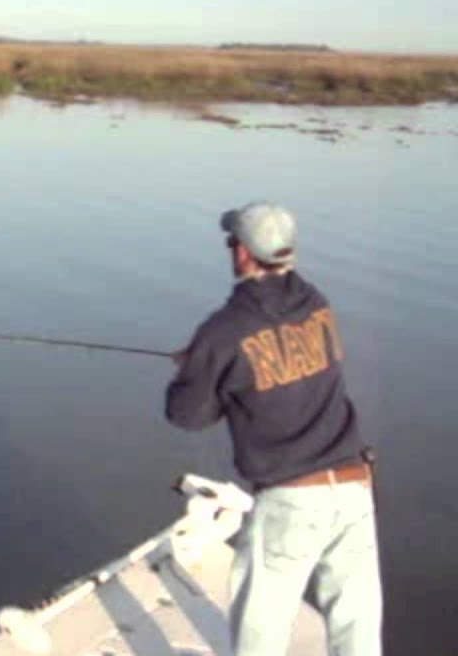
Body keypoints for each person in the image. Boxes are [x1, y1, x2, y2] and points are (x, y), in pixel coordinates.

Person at [165, 201, 381, 656]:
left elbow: (188, 415)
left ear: (243, 253)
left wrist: (196, 368)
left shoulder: (224, 330)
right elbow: (281, 364)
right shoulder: (316, 304)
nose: (230, 250)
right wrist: (209, 361)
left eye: (231, 242)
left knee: (260, 628)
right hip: (353, 485)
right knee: (356, 622)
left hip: (292, 496)